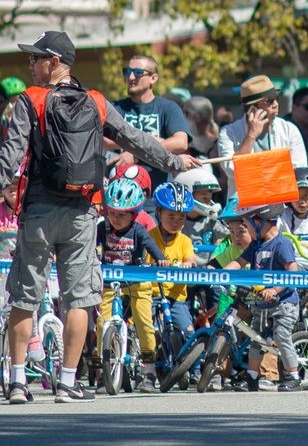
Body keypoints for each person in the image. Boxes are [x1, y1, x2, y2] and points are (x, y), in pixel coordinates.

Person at [0, 30, 198, 405]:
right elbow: (135, 140)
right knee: (79, 299)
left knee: (25, 297)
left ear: (54, 62)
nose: (30, 66)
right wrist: (174, 163)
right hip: (83, 213)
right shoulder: (97, 102)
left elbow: (9, 157)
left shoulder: (31, 100)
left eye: (35, 59)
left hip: (39, 212)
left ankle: (17, 382)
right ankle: (69, 382)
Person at [97, 177, 168, 393]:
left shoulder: (138, 230)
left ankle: (149, 371)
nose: (116, 219)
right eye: (112, 213)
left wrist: (160, 259)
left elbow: (151, 246)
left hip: (137, 281)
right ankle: (104, 371)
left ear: (134, 214)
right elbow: (90, 245)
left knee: (144, 323)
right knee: (102, 323)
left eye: (122, 215)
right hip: (110, 283)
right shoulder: (103, 228)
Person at [227, 203, 303, 392]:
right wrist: (222, 274)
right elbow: (239, 261)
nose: (247, 231)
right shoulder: (256, 245)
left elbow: (292, 272)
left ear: (259, 222)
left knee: (281, 335)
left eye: (247, 225)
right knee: (257, 339)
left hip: (283, 303)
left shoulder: (281, 243)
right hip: (261, 303)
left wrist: (275, 290)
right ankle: (252, 377)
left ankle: (293, 375)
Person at [216, 76, 308, 203]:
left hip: (281, 208)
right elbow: (232, 171)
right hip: (242, 211)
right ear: (252, 108)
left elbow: (299, 172)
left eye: (277, 98)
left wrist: (253, 171)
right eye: (269, 101)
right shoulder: (228, 132)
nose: (276, 104)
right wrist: (251, 135)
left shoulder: (289, 130)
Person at [105, 54, 190, 182]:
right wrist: (155, 140)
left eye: (138, 72)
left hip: (156, 192)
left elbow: (180, 143)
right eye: (127, 71)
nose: (131, 77)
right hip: (119, 191)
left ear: (153, 78)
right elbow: (104, 140)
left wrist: (134, 154)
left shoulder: (168, 108)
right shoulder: (115, 107)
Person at [148, 182, 199, 338]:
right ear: (158, 213)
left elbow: (191, 260)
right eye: (171, 216)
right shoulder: (148, 237)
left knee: (189, 334)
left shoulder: (185, 241)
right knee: (148, 330)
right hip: (151, 296)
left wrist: (188, 264)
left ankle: (192, 363)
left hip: (176, 298)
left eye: (181, 217)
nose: (176, 221)